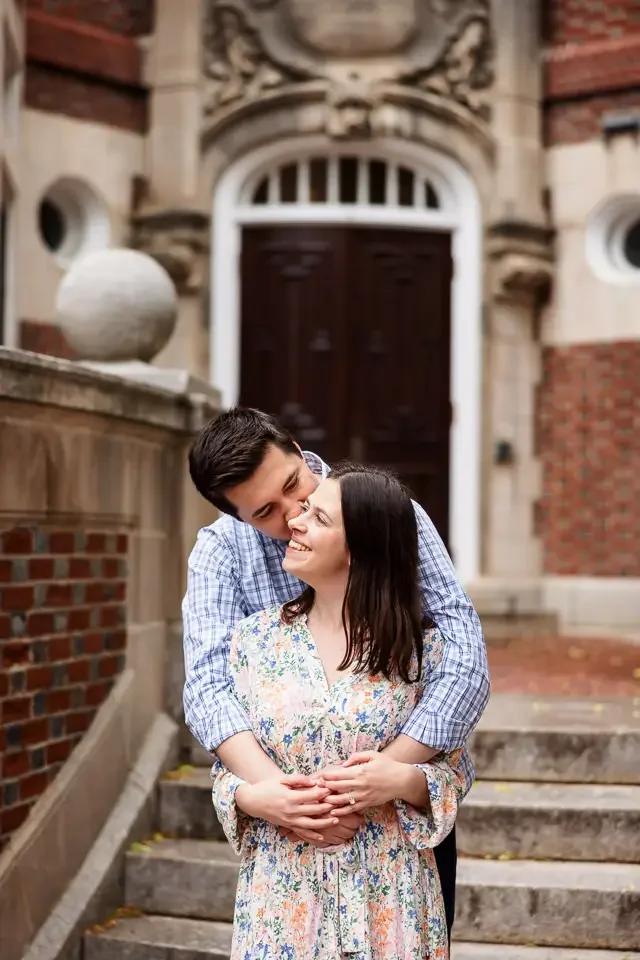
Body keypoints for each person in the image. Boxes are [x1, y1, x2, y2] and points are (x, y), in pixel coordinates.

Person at [183, 407, 489, 939]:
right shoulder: (222, 556)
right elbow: (209, 689)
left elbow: (464, 658)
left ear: (297, 450)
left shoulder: (382, 510)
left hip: (399, 830)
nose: (294, 515)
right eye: (266, 512)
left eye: (293, 485)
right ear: (239, 517)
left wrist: (384, 774)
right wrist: (279, 794)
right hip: (290, 840)